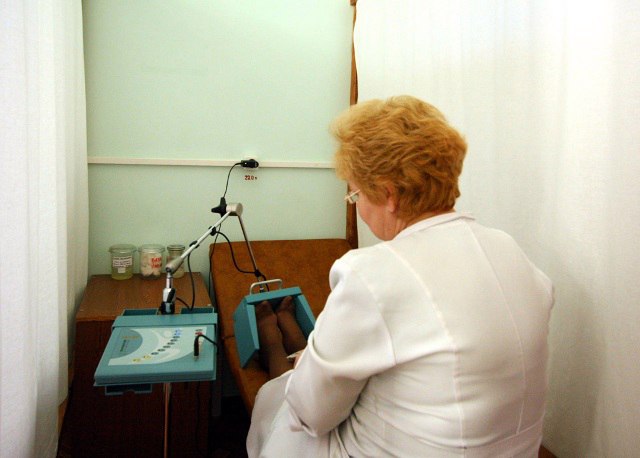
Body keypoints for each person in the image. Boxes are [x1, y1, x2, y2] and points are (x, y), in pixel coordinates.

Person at [247, 95, 554, 457]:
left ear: (389, 195)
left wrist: (307, 374)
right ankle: (292, 344)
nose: (359, 208)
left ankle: (281, 348)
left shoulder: (373, 274)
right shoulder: (510, 250)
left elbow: (311, 413)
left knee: (278, 401)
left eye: (356, 194)